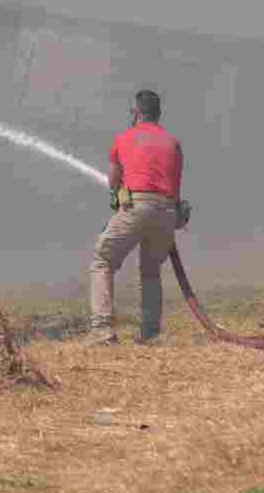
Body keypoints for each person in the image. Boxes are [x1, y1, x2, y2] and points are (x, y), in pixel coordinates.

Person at [85, 90, 186, 345]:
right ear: (159, 114)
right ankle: (150, 333)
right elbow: (175, 187)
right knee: (151, 271)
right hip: (166, 212)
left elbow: (115, 179)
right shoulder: (173, 142)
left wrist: (116, 195)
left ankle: (102, 330)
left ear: (137, 113)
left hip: (136, 208)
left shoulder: (123, 138)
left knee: (102, 260)